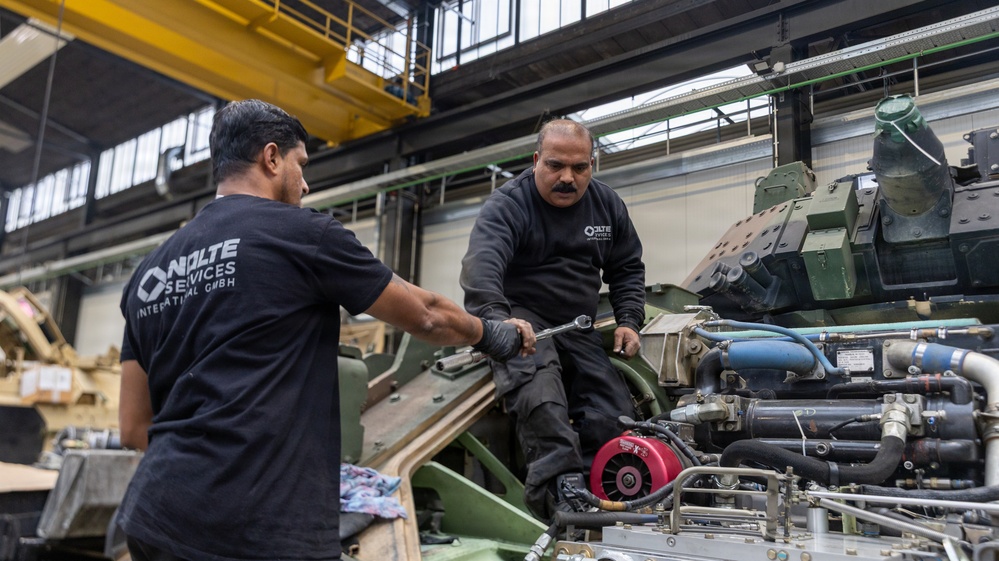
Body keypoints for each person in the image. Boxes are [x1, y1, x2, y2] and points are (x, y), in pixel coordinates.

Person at [115, 99, 536, 561]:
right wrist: (491, 333)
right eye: (301, 165)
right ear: (271, 158)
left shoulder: (150, 272)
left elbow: (134, 427)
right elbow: (427, 315)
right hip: (256, 528)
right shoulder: (300, 233)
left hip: (154, 515)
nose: (306, 182)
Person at [459, 119, 646, 520]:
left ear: (592, 163)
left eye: (580, 168)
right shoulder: (509, 204)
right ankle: (559, 504)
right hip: (522, 321)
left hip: (577, 323)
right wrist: (496, 322)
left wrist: (629, 319)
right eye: (555, 165)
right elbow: (482, 266)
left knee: (613, 413)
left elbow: (627, 268)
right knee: (542, 398)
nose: (568, 178)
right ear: (535, 161)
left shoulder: (607, 204)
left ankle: (608, 497)